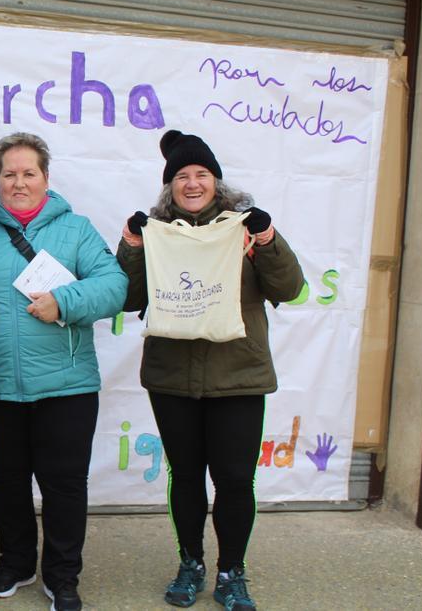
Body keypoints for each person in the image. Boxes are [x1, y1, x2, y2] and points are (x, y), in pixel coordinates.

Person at [116, 130, 303, 611]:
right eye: (182, 176)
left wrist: (267, 238)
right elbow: (131, 298)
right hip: (172, 378)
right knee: (186, 475)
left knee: (236, 479)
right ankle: (191, 563)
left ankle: (232, 571)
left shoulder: (242, 227)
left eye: (201, 174)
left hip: (238, 376)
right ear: (169, 187)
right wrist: (134, 246)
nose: (192, 183)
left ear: (216, 182)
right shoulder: (156, 232)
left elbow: (287, 286)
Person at [0, 133, 127, 611]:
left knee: (64, 486)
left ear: (46, 178)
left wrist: (65, 301)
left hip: (67, 387)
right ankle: (16, 562)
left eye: (28, 173)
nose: (19, 183)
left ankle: (61, 575)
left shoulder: (76, 229)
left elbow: (115, 286)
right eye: (9, 174)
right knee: (8, 484)